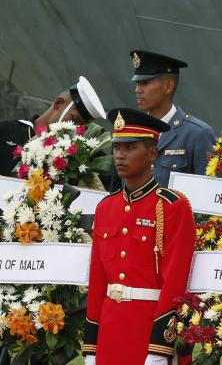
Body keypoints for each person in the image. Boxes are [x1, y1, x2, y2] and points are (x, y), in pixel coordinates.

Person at [83, 108, 195, 365]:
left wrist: (159, 347)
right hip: (110, 330)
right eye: (117, 148)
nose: (120, 155)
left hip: (147, 329)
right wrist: (91, 347)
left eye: (130, 148)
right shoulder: (106, 207)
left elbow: (176, 280)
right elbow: (98, 279)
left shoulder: (172, 206)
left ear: (153, 153)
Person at [130, 50, 215, 187]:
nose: (137, 90)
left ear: (168, 86)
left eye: (145, 83)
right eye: (137, 83)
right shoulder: (131, 131)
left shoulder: (197, 134)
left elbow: (206, 196)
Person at [0, 76, 106, 177]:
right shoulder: (6, 131)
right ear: (58, 103)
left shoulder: (72, 161)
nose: (74, 128)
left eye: (80, 127)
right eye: (74, 120)